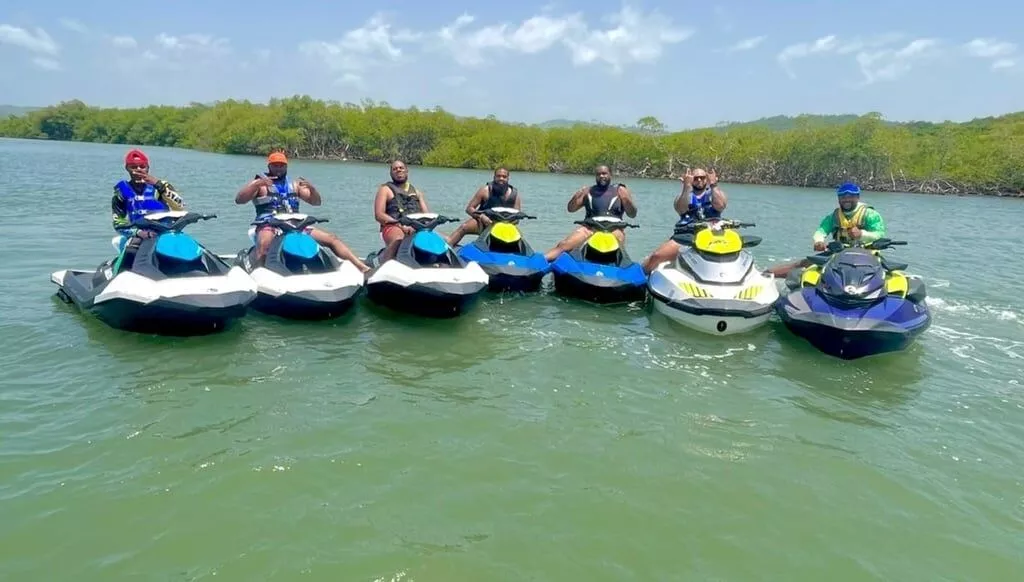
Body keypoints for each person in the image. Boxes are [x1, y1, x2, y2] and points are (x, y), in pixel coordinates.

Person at [234, 152, 369, 272]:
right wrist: (256, 184)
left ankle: (361, 268)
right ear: (269, 166)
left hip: (296, 225)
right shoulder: (260, 184)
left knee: (332, 239)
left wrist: (312, 188)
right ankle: (260, 273)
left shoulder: (295, 185)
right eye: (275, 165)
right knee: (264, 245)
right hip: (269, 225)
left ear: (286, 166)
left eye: (281, 165)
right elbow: (239, 200)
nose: (278, 169)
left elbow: (316, 202)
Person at [766, 181, 887, 277]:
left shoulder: (870, 214)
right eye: (843, 197)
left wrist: (862, 234)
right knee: (803, 264)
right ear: (839, 198)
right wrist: (819, 241)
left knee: (885, 272)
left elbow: (880, 234)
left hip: (867, 255)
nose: (847, 199)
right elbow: (821, 231)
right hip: (838, 253)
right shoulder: (834, 216)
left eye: (851, 196)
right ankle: (766, 274)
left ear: (858, 197)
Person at [111, 148, 186, 271]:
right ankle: (117, 274)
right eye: (133, 167)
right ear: (127, 169)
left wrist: (159, 185)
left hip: (165, 231)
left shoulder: (160, 187)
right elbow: (118, 223)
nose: (138, 169)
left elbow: (180, 206)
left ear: (148, 168)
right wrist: (138, 233)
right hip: (139, 235)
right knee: (131, 250)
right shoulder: (121, 192)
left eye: (142, 166)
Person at [543, 165, 638, 262]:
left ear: (610, 174)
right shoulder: (588, 191)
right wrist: (576, 196)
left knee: (620, 250)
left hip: (614, 228)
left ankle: (622, 269)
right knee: (564, 245)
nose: (601, 176)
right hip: (590, 227)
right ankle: (541, 261)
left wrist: (626, 200)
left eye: (604, 173)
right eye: (598, 174)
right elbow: (571, 209)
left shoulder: (621, 190)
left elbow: (632, 214)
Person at [641, 168, 727, 274]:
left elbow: (721, 206)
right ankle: (641, 279)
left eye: (702, 178)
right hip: (687, 235)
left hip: (712, 235)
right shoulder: (684, 195)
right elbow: (681, 209)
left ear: (707, 179)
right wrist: (687, 187)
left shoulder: (714, 193)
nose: (699, 180)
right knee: (656, 256)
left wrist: (714, 184)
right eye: (696, 178)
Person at [372, 159, 433, 263]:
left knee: (442, 240)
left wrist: (431, 223)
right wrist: (400, 225)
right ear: (391, 173)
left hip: (415, 227)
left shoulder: (417, 192)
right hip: (393, 226)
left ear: (406, 171)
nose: (398, 170)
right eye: (395, 169)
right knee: (399, 239)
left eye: (401, 168)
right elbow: (379, 215)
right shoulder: (385, 189)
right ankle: (383, 264)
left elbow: (426, 215)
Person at [446, 167, 521, 246]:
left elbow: (517, 218)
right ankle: (448, 246)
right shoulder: (485, 190)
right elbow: (469, 209)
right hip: (483, 223)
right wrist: (481, 217)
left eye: (504, 177)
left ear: (508, 178)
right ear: (494, 177)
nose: (501, 179)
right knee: (464, 227)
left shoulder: (515, 195)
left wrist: (506, 222)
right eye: (498, 176)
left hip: (504, 227)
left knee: (518, 236)